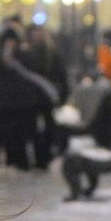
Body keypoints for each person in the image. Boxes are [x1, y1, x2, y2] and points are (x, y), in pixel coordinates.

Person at [0, 26, 61, 170]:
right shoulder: (2, 57)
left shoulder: (26, 56)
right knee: (14, 135)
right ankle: (19, 162)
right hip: (11, 103)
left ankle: (35, 161)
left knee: (29, 133)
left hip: (26, 103)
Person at [23, 23, 70, 170]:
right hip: (34, 98)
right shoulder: (28, 53)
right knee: (35, 128)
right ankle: (40, 157)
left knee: (47, 127)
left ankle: (45, 156)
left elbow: (61, 76)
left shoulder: (50, 53)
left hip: (45, 98)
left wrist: (61, 96)